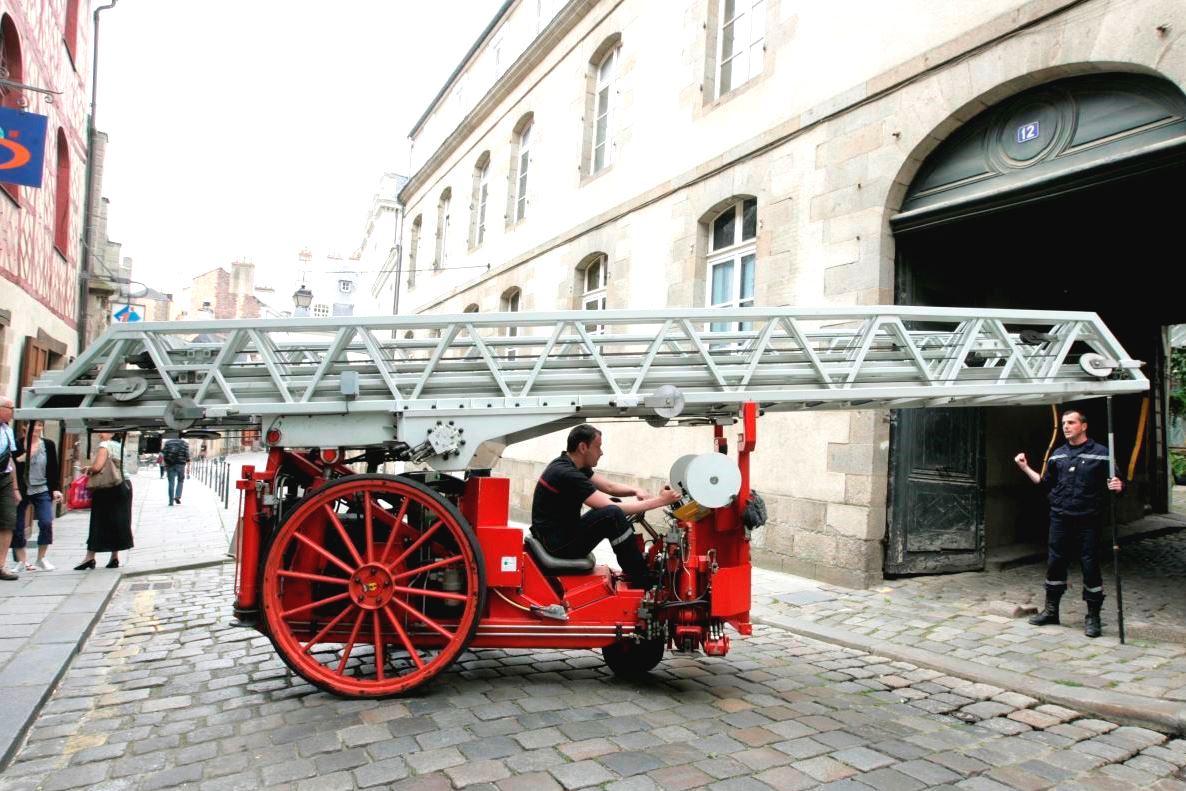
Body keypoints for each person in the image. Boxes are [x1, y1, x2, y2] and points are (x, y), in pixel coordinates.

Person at [1014, 409, 1123, 638]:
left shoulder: (1102, 454)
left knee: (1090, 565)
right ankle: (1051, 610)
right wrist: (1025, 467)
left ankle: (1093, 616)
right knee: (1055, 562)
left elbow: (1118, 483)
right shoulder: (1058, 455)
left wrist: (1118, 486)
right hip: (1060, 516)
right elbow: (1045, 485)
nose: (1066, 426)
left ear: (1083, 426)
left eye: (1071, 422)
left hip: (1088, 519)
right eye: (1064, 423)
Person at [530, 424, 680, 588]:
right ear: (583, 447)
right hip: (558, 545)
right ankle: (642, 580)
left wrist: (636, 490)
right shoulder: (568, 474)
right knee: (612, 514)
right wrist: (661, 501)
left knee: (613, 509)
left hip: (558, 536)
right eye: (598, 447)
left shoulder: (570, 464)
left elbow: (609, 488)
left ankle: (636, 568)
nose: (601, 452)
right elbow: (611, 508)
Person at [74, 432, 134, 570]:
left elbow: (97, 467)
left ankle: (90, 557)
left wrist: (87, 469)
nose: (100, 434)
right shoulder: (120, 446)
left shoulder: (104, 445)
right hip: (124, 485)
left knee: (99, 521)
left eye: (104, 431)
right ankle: (114, 557)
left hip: (107, 486)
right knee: (118, 521)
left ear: (112, 433)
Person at [14, 420, 61, 571]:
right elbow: (12, 464)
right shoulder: (17, 444)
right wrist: (25, 456)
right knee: (17, 526)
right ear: (24, 427)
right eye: (33, 425)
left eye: (40, 425)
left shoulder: (48, 444)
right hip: (21, 490)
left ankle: (41, 558)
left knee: (46, 522)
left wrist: (55, 489)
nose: (37, 428)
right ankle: (22, 561)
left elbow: (54, 468)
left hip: (42, 488)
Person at [0, 397, 20, 581]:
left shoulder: (7, 430)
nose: (13, 412)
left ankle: (1, 565)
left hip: (4, 478)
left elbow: (10, 460)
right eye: (11, 408)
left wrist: (15, 488)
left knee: (8, 520)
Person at [162, 434, 190, 505]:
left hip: (170, 464)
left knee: (171, 483)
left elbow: (164, 453)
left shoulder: (168, 443)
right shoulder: (184, 443)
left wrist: (165, 464)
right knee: (180, 481)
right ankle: (177, 496)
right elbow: (187, 455)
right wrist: (188, 464)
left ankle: (170, 501)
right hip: (180, 464)